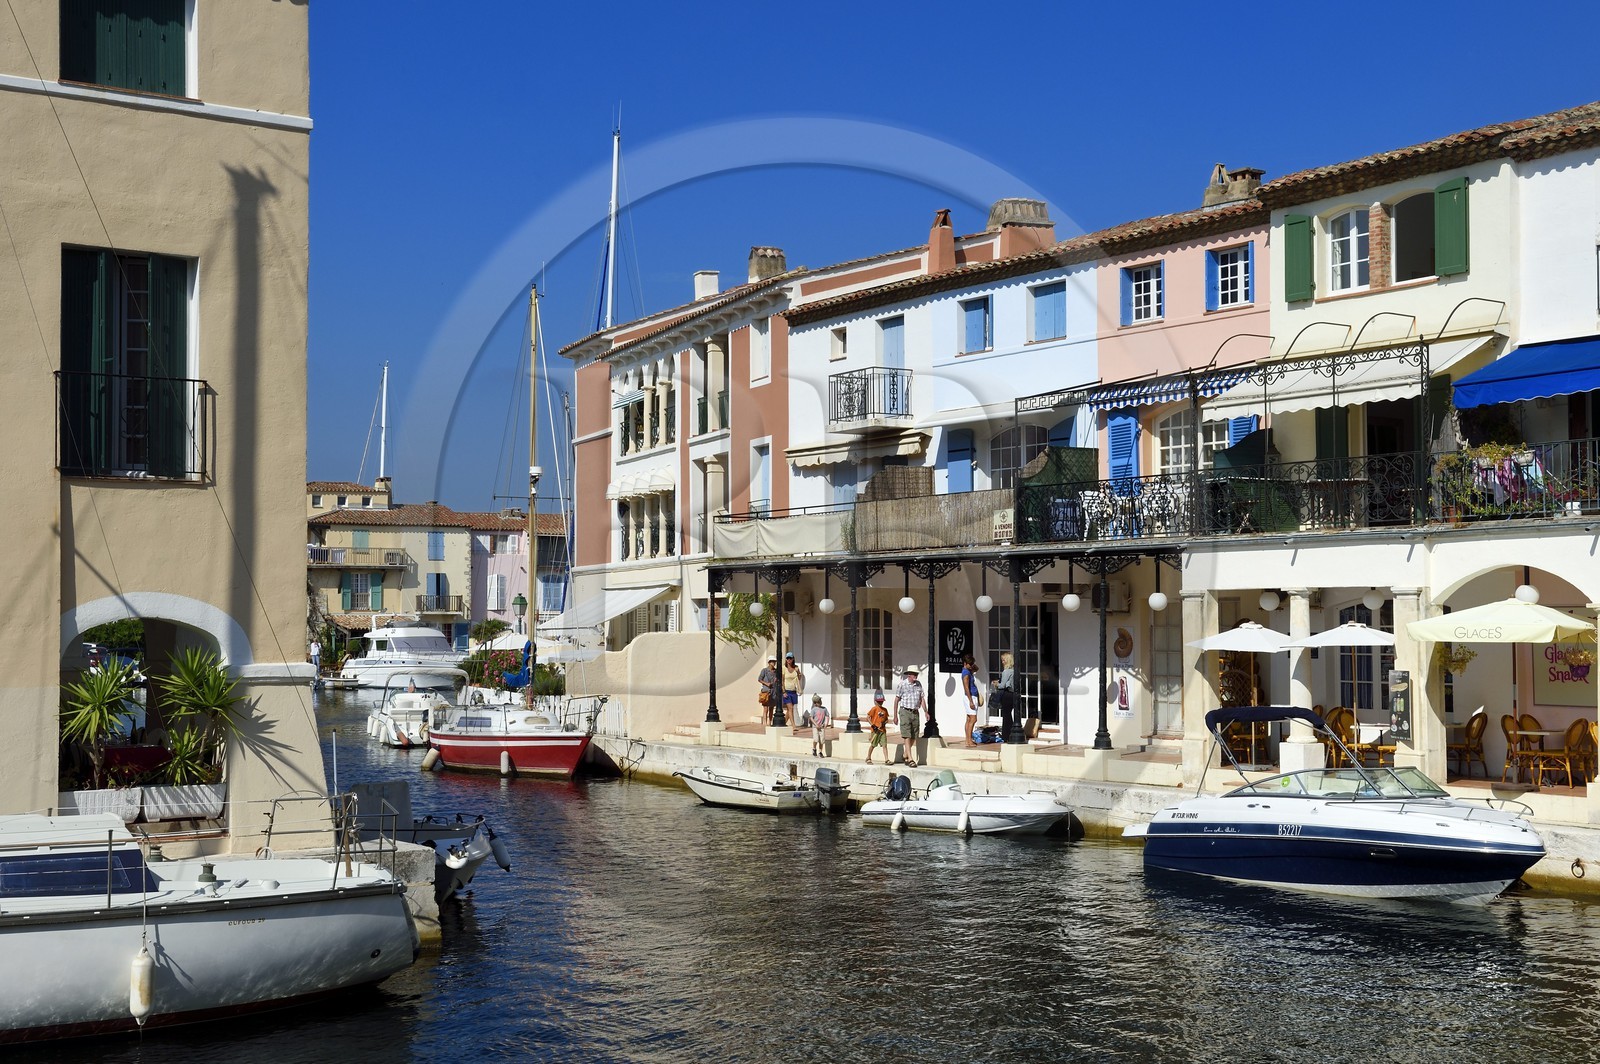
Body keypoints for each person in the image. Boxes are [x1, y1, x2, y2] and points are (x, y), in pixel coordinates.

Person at [891, 666, 924, 767]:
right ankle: (910, 758)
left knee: (914, 734)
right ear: (909, 674)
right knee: (907, 735)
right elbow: (896, 700)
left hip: (915, 711)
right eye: (914, 674)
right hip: (905, 711)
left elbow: (922, 698)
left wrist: (926, 711)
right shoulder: (902, 685)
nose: (916, 676)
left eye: (916, 674)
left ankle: (905, 754)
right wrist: (895, 715)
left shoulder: (918, 684)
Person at [960, 653, 983, 746]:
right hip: (970, 697)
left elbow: (977, 669)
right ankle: (968, 740)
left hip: (972, 696)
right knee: (973, 719)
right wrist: (971, 701)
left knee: (969, 719)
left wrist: (972, 665)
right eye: (969, 664)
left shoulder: (969, 670)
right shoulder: (965, 673)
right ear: (965, 663)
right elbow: (966, 688)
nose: (971, 666)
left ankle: (968, 740)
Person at [865, 692, 889, 765]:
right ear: (875, 701)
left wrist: (884, 723)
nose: (880, 703)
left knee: (884, 745)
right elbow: (868, 717)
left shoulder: (885, 710)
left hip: (882, 730)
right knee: (873, 744)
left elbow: (886, 719)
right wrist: (873, 725)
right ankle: (868, 757)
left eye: (881, 701)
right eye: (879, 701)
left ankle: (887, 759)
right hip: (875, 731)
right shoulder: (874, 709)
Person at [782, 652, 804, 732]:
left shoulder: (796, 668)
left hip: (793, 691)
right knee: (790, 708)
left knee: (789, 709)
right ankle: (793, 726)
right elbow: (782, 680)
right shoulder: (784, 668)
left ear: (793, 659)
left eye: (790, 658)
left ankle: (783, 722)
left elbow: (799, 678)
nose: (789, 660)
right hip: (786, 691)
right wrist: (783, 691)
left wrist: (798, 672)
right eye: (787, 658)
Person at [757, 657, 778, 726]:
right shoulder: (764, 670)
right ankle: (764, 721)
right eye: (772, 661)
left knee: (771, 707)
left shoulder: (776, 671)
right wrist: (766, 683)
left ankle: (770, 721)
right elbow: (759, 679)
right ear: (769, 662)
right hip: (766, 691)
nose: (773, 663)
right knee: (765, 707)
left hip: (773, 690)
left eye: (774, 661)